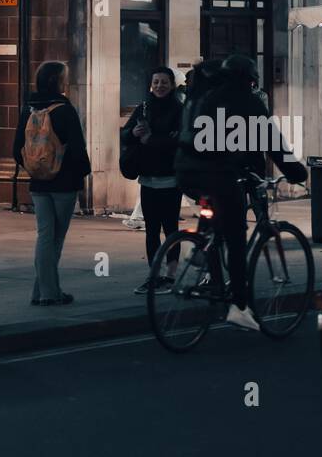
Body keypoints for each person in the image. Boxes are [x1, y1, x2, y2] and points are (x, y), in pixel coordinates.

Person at [176, 53, 307, 331]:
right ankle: (239, 305)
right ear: (250, 80)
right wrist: (298, 173)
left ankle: (202, 250)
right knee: (237, 237)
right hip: (218, 174)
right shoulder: (248, 101)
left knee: (214, 217)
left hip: (186, 172)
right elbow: (273, 142)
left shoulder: (203, 95)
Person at [12, 61, 91, 306]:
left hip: (39, 184)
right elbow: (78, 149)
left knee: (44, 235)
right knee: (55, 240)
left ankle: (43, 291)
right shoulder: (65, 110)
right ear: (58, 81)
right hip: (64, 184)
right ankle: (49, 293)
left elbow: (17, 149)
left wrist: (36, 168)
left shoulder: (29, 109)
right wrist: (81, 175)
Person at [121, 67, 184, 294]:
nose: (159, 86)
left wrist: (151, 140)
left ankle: (171, 275)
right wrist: (134, 134)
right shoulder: (144, 107)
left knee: (170, 228)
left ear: (172, 85)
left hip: (170, 179)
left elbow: (180, 141)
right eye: (156, 82)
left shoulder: (179, 109)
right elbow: (125, 134)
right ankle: (153, 274)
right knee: (151, 230)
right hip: (147, 178)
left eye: (164, 82)